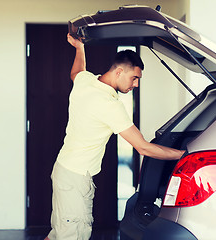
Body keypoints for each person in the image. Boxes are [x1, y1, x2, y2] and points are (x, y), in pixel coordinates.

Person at [44, 34, 185, 240]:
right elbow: (143, 148)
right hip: (75, 179)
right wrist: (184, 155)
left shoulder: (87, 81)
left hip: (64, 171)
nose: (136, 84)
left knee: (59, 234)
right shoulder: (109, 104)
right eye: (134, 78)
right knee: (71, 236)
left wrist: (79, 47)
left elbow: (76, 72)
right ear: (119, 72)